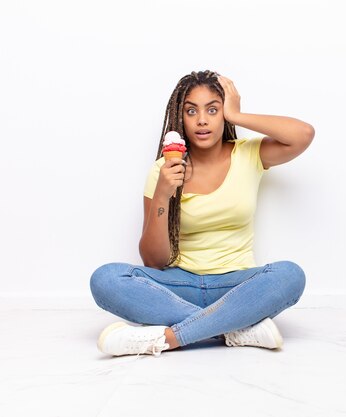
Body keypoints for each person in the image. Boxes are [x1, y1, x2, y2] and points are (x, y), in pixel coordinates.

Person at [89, 70, 314, 357]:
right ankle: (233, 327)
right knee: (105, 279)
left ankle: (171, 338)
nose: (202, 120)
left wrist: (237, 115)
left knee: (290, 276)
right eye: (191, 111)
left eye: (213, 109)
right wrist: (162, 194)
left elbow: (303, 135)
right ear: (180, 118)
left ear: (224, 115)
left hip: (236, 285)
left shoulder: (249, 154)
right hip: (179, 284)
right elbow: (153, 261)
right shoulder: (163, 170)